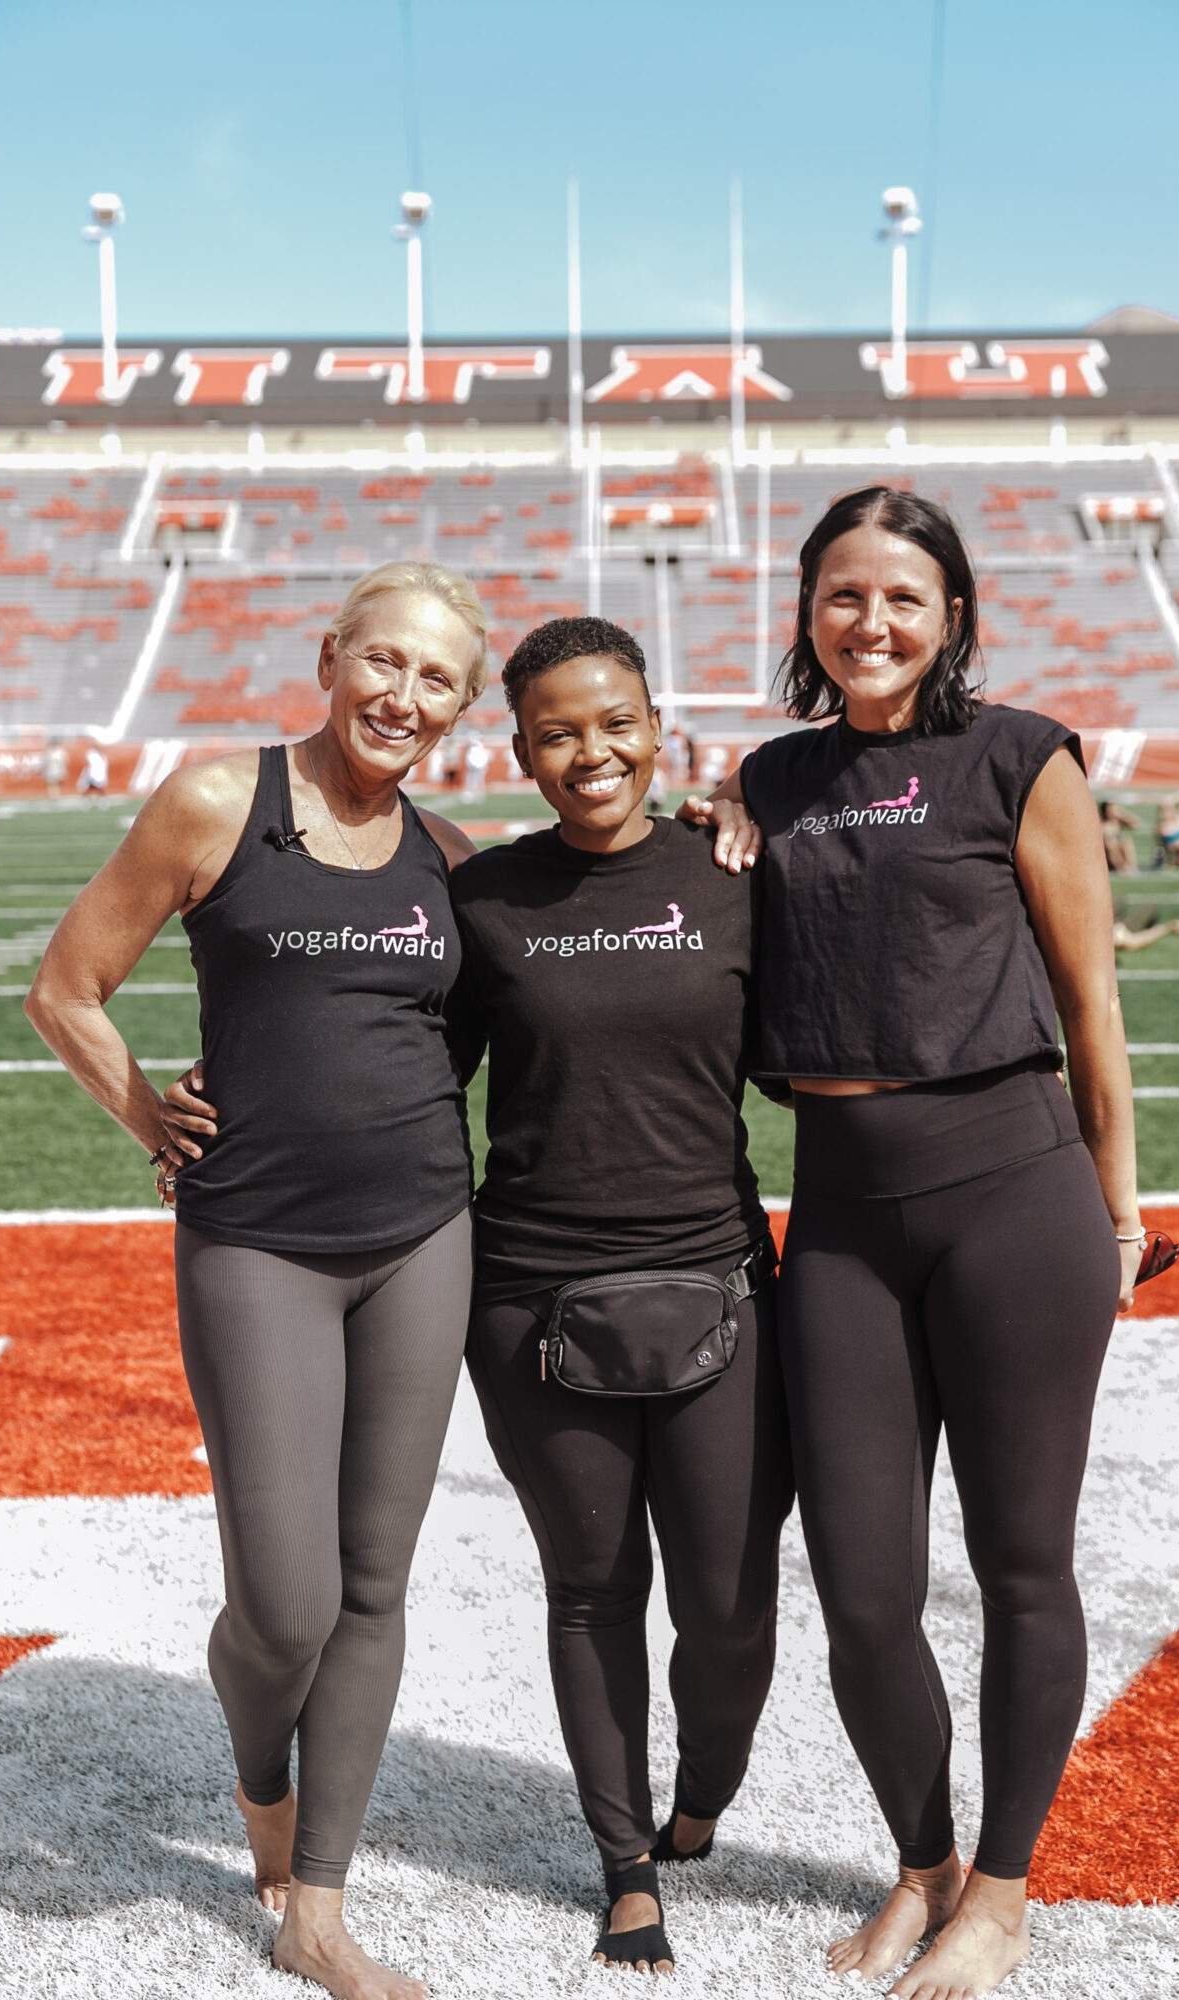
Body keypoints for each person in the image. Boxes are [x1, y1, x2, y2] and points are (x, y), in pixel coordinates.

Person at [25, 559, 488, 2000]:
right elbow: (65, 987)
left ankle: (318, 1909)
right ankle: (260, 1795)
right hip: (257, 1243)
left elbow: (476, 1027)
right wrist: (149, 1124)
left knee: (373, 1583)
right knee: (283, 1605)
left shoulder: (453, 855)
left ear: (460, 707)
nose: (404, 697)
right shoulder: (219, 802)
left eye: (439, 681)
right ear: (330, 654)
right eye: (387, 663)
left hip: (422, 1236)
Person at [709, 487, 1147, 1999]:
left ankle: (1004, 1895)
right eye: (842, 594)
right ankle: (923, 1864)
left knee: (1021, 1563)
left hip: (1012, 1197)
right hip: (837, 1214)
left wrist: (1120, 1211)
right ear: (806, 612)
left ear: (953, 612)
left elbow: (1092, 1002)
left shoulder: (1023, 757)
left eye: (903, 595)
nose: (870, 622)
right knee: (865, 1589)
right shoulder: (766, 776)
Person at [448, 618, 794, 1975]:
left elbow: (820, 1058)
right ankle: (624, 1866)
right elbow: (414, 1081)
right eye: (555, 731)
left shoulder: (734, 878)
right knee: (590, 1591)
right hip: (530, 1300)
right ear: (521, 747)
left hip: (719, 1285)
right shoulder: (486, 902)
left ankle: (701, 1792)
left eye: (614, 723)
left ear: (659, 728)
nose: (589, 753)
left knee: (727, 1604)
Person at [1098, 798, 1140, 873]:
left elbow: (1136, 824)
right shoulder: (1101, 824)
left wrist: (1122, 814)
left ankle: (1132, 867)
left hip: (1118, 852)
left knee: (1126, 841)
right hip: (1107, 855)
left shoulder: (1117, 822)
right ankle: (1122, 868)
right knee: (1110, 845)